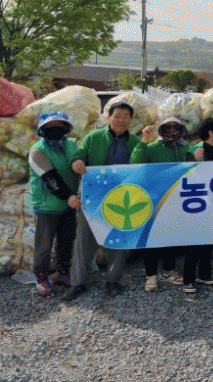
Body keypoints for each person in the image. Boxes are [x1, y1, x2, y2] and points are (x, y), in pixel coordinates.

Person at [62, 102, 141, 301]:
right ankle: (77, 283)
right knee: (84, 241)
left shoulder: (135, 142)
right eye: (117, 115)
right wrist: (77, 162)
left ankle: (113, 281)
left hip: (122, 199)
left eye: (126, 116)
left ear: (131, 120)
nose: (121, 120)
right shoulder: (93, 137)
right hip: (93, 196)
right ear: (108, 117)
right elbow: (79, 155)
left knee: (119, 240)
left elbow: (142, 166)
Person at [130, 115, 190, 292]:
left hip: (176, 200)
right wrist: (144, 139)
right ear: (161, 130)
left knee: (171, 237)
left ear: (181, 130)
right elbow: (135, 162)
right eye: (167, 127)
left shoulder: (184, 148)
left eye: (175, 127)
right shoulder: (152, 147)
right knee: (151, 238)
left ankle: (168, 271)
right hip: (154, 199)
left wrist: (195, 157)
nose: (172, 131)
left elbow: (193, 169)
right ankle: (151, 275)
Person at [28, 111, 81, 297]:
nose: (54, 129)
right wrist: (69, 196)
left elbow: (78, 162)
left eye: (59, 125)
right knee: (44, 245)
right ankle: (41, 278)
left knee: (66, 241)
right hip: (47, 206)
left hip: (68, 204)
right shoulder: (37, 151)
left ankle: (61, 273)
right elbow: (51, 179)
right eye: (49, 126)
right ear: (42, 130)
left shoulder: (70, 145)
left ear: (65, 128)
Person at [180, 117, 213, 294]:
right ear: (211, 133)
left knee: (208, 242)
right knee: (194, 243)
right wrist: (192, 160)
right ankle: (188, 280)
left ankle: (204, 275)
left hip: (212, 202)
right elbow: (182, 175)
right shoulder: (194, 151)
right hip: (196, 203)